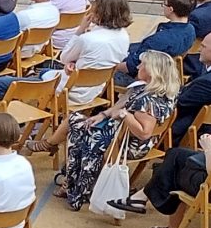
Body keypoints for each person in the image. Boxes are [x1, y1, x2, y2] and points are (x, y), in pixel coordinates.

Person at [61, 49, 180, 211]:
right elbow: (121, 105)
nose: (138, 67)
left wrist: (125, 116)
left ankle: (76, 183)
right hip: (125, 136)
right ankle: (73, 179)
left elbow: (144, 133)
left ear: (152, 71)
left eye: (142, 64)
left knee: (81, 127)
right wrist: (103, 115)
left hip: (130, 145)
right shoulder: (161, 92)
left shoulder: (148, 101)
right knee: (81, 123)